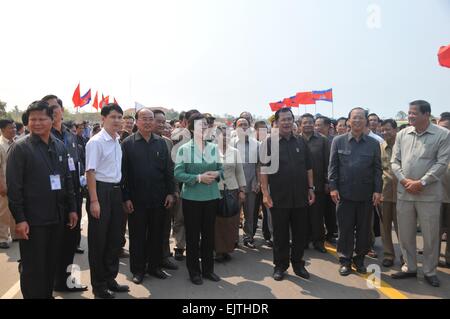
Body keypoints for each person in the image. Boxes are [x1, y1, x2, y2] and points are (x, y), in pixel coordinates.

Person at [7, 100, 78, 299]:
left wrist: (72, 209)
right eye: (32, 119)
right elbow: (14, 189)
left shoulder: (59, 146)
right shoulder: (20, 148)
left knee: (50, 263)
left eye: (41, 119)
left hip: (56, 217)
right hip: (33, 220)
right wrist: (20, 219)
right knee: (33, 267)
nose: (36, 123)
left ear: (52, 119)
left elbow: (67, 180)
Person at [391, 100, 450, 287]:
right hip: (405, 192)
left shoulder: (443, 134)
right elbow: (394, 161)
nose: (410, 116)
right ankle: (410, 267)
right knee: (406, 233)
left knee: (431, 235)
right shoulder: (402, 134)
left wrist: (422, 182)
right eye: (409, 113)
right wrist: (404, 180)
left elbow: (442, 163)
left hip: (429, 194)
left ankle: (429, 271)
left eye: (413, 113)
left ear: (427, 114)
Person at [122, 108, 175, 284]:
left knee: (156, 234)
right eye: (144, 118)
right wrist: (126, 197)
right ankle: (138, 270)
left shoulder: (161, 143)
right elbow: (124, 174)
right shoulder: (128, 144)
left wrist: (170, 193)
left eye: (150, 119)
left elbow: (168, 171)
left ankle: (155, 267)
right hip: (136, 201)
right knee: (137, 236)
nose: (147, 122)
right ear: (137, 121)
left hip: (159, 198)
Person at [260, 108, 315, 281]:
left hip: (300, 197)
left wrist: (311, 188)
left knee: (300, 234)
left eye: (289, 119)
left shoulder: (301, 142)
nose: (286, 122)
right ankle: (280, 266)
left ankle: (298, 264)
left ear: (293, 121)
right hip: (278, 198)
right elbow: (263, 171)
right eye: (283, 119)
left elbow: (308, 167)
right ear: (276, 123)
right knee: (280, 235)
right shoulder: (269, 143)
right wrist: (265, 193)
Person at [328, 107, 382, 276]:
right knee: (345, 229)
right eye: (354, 118)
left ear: (366, 121)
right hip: (344, 194)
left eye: (361, 118)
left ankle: (359, 259)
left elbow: (377, 169)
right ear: (349, 121)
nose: (357, 121)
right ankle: (345, 260)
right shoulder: (338, 141)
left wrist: (377, 191)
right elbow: (333, 167)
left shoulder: (374, 144)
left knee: (365, 230)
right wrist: (333, 187)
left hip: (366, 195)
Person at [85, 103, 130, 299]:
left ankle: (110, 277)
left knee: (114, 239)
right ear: (103, 119)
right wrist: (94, 201)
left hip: (115, 192)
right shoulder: (96, 142)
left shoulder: (117, 141)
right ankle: (99, 285)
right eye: (113, 117)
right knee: (98, 241)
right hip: (100, 192)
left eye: (120, 117)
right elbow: (90, 172)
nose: (117, 121)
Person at [174, 113, 222, 285]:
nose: (204, 128)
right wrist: (199, 177)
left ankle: (208, 270)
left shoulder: (214, 148)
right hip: (192, 198)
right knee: (193, 236)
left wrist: (217, 173)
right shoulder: (184, 149)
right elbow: (178, 174)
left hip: (211, 197)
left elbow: (221, 169)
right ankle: (194, 271)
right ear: (192, 129)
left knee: (209, 235)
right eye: (200, 126)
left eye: (206, 125)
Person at [152, 110, 180, 271]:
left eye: (164, 122)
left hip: (165, 194)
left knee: (164, 228)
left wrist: (174, 190)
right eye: (158, 121)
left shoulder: (168, 143)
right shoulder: (131, 142)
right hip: (146, 195)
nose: (162, 124)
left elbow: (172, 170)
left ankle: (164, 257)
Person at [215, 126, 246, 262]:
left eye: (227, 135)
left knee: (231, 221)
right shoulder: (210, 151)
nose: (225, 138)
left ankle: (228, 249)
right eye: (222, 135)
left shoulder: (235, 152)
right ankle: (217, 250)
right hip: (214, 191)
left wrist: (242, 190)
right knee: (217, 222)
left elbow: (239, 172)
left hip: (232, 190)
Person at [299, 113, 329, 253]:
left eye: (311, 122)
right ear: (300, 124)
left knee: (317, 215)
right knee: (302, 215)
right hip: (298, 185)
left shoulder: (323, 140)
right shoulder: (296, 139)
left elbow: (328, 163)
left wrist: (327, 182)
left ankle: (318, 242)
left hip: (318, 183)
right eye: (305, 122)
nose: (308, 125)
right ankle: (303, 241)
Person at [231, 117, 259, 249]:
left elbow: (260, 165)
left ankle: (249, 237)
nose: (243, 127)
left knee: (250, 213)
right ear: (235, 128)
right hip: (234, 185)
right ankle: (233, 238)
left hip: (251, 183)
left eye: (246, 125)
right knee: (234, 213)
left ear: (250, 127)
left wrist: (257, 181)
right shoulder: (231, 144)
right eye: (240, 125)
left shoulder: (257, 144)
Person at [379, 119, 400, 268]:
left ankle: (406, 256)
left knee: (403, 228)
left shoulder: (404, 146)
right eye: (383, 130)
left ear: (395, 129)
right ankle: (388, 255)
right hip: (384, 193)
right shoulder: (379, 147)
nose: (385, 132)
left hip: (402, 194)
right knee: (384, 226)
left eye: (388, 129)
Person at [0, 119, 17, 248]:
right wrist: (2, 184)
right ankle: (3, 238)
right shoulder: (0, 145)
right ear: (2, 130)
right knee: (3, 211)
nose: (14, 130)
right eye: (10, 128)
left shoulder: (16, 143)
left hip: (14, 182)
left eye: (15, 128)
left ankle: (15, 233)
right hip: (3, 183)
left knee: (14, 209)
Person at [438, 115, 450, 268]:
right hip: (436, 197)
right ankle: (432, 261)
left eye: (446, 128)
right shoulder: (433, 144)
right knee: (434, 232)